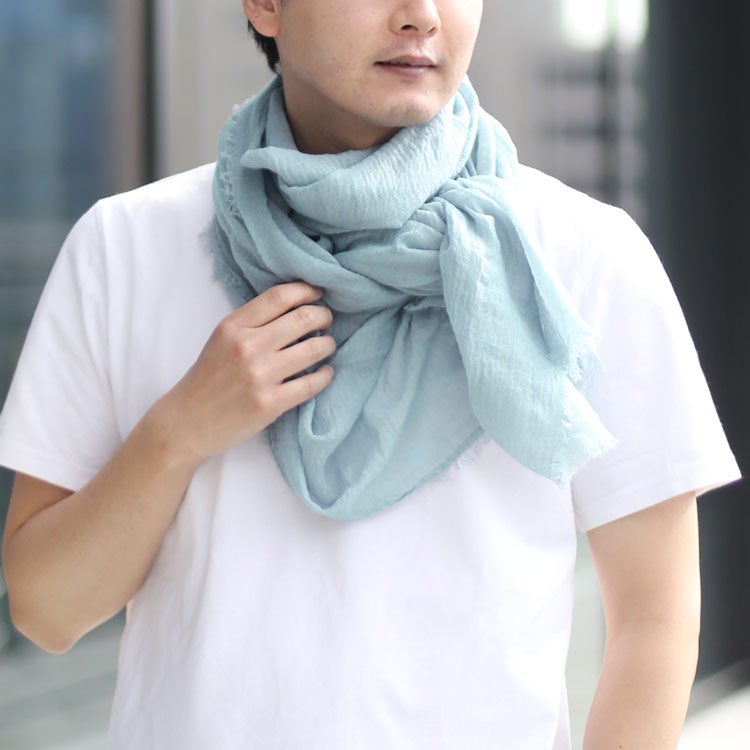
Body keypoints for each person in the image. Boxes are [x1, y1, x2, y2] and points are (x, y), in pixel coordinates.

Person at [0, 1, 740, 748]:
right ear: (266, 6)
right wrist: (179, 432)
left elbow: (655, 618)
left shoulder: (580, 254)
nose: (421, 16)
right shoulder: (125, 247)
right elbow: (46, 611)